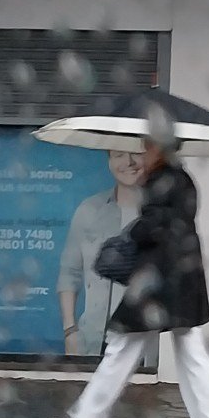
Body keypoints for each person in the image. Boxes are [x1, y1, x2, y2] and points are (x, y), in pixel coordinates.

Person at [51, 139, 209, 418]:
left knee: (123, 345)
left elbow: (158, 226)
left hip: (159, 281)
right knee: (190, 353)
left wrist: (131, 233)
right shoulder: (180, 178)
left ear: (161, 149)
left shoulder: (164, 179)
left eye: (147, 147)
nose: (141, 154)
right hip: (178, 278)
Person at [55, 150, 148, 356]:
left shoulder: (160, 214)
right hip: (93, 342)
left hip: (144, 345)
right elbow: (69, 273)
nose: (129, 162)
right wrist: (70, 331)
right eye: (118, 155)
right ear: (109, 161)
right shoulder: (89, 210)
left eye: (136, 153)